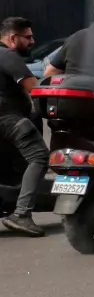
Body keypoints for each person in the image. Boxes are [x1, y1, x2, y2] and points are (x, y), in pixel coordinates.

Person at [0, 18, 51, 236]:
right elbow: (35, 90)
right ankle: (21, 213)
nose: (33, 41)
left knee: (14, 164)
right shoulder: (8, 56)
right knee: (39, 156)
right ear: (13, 38)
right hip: (7, 118)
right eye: (28, 37)